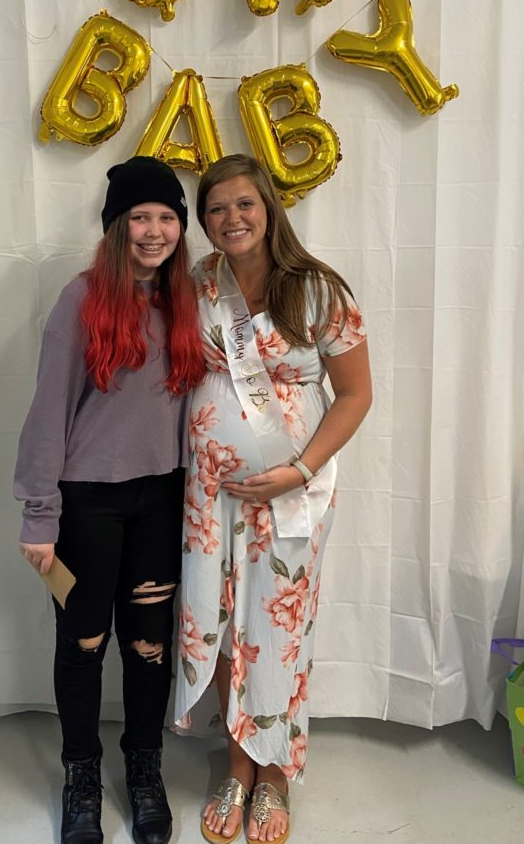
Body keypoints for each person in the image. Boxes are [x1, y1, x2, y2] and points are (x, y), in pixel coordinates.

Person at [174, 154, 372, 844]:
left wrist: (300, 468)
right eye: (217, 209)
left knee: (278, 623)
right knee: (222, 622)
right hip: (210, 496)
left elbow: (355, 395)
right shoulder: (199, 284)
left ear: (269, 209)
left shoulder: (318, 289)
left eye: (243, 205)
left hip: (294, 491)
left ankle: (274, 773)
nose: (231, 219)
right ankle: (236, 763)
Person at [15, 156, 205, 844]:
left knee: (149, 645)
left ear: (181, 227)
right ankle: (82, 775)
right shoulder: (82, 297)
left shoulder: (190, 301)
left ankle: (145, 768)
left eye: (166, 217)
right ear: (116, 227)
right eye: (139, 218)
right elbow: (48, 411)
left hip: (163, 503)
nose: (153, 231)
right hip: (87, 505)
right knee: (85, 641)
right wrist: (40, 514)